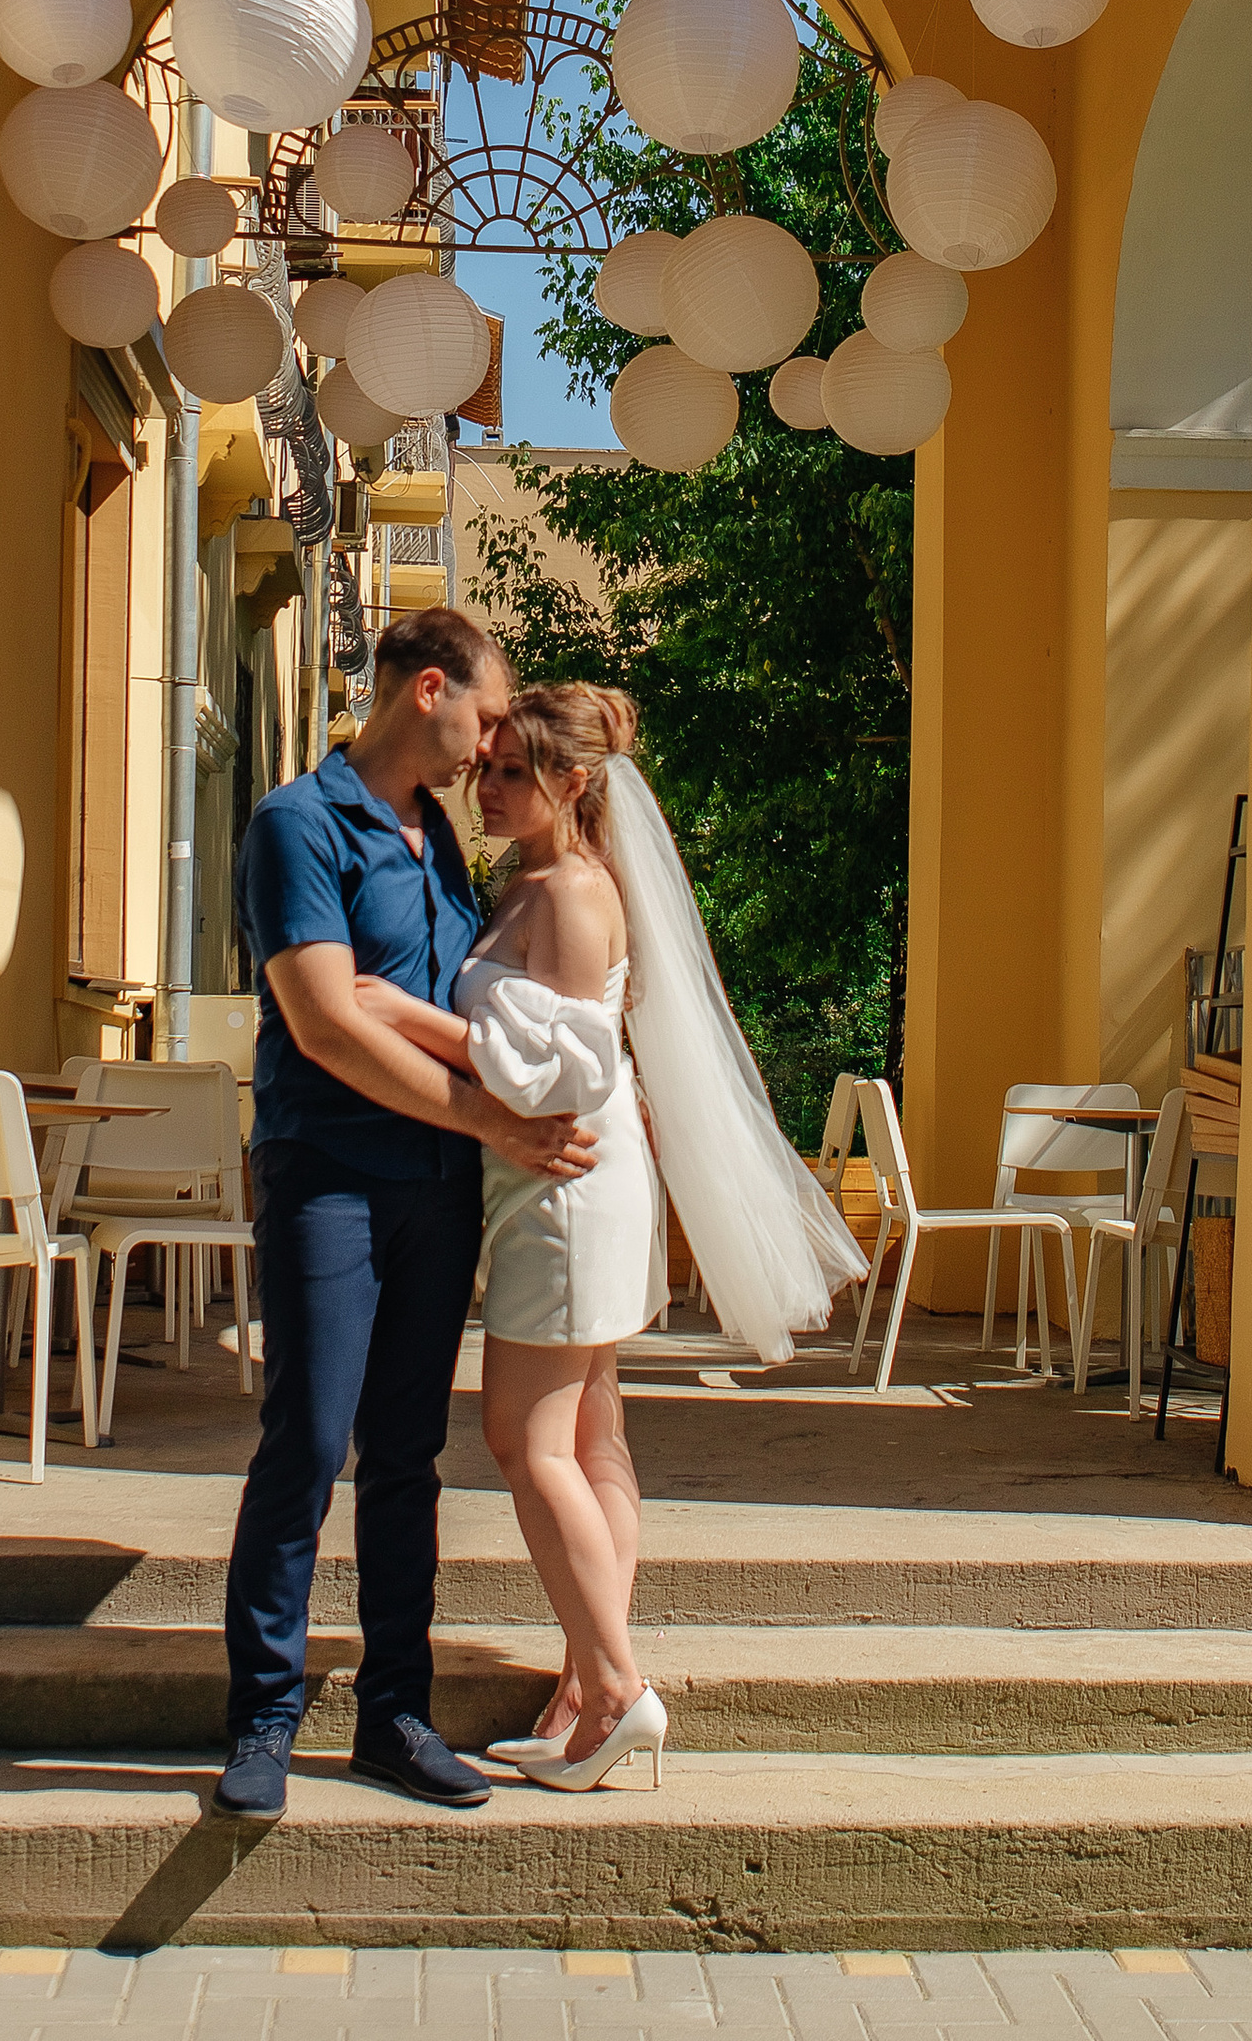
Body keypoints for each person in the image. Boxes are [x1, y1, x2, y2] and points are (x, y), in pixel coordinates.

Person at [357, 682, 866, 1792]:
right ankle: (587, 1692)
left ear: (572, 785)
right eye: (484, 766)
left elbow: (567, 1069)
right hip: (568, 1177)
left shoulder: (573, 896)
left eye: (509, 772)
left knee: (522, 1441)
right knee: (590, 1442)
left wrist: (399, 1015)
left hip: (564, 1185)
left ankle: (621, 1687)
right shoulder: (531, 878)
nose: (482, 786)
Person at [216, 603, 594, 1822]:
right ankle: (264, 1719)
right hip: (327, 1175)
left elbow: (487, 1023)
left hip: (437, 1191)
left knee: (407, 1461)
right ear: (427, 690)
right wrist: (496, 1124)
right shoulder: (296, 823)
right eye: (487, 717)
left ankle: (394, 1716)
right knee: (308, 1444)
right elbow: (325, 1024)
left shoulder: (441, 838)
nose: (493, 748)